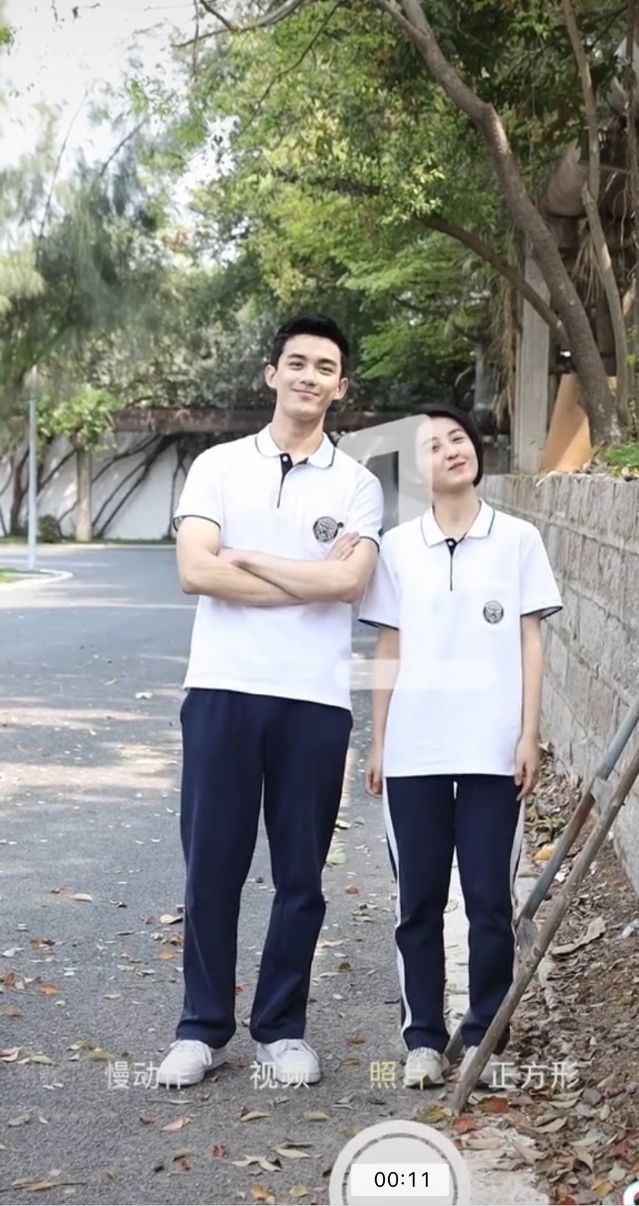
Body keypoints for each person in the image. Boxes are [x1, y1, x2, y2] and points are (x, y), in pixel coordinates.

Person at [157, 314, 383, 1089]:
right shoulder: (218, 466)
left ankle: (282, 1030)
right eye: (297, 362)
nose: (309, 376)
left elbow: (350, 584)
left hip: (313, 700)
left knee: (300, 877)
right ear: (272, 374)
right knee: (211, 869)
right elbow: (196, 571)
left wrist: (248, 557)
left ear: (340, 387)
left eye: (325, 367)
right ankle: (201, 1028)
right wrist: (306, 578)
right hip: (221, 688)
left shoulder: (357, 484)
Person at [360, 403, 561, 1089]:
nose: (451, 449)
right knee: (416, 901)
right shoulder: (396, 547)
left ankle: (484, 1036)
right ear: (417, 470)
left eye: (458, 438)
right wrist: (379, 741)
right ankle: (422, 1038)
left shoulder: (518, 539)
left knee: (488, 901)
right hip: (414, 752)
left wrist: (529, 733)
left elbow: (531, 640)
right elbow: (388, 647)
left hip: (492, 752)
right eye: (433, 445)